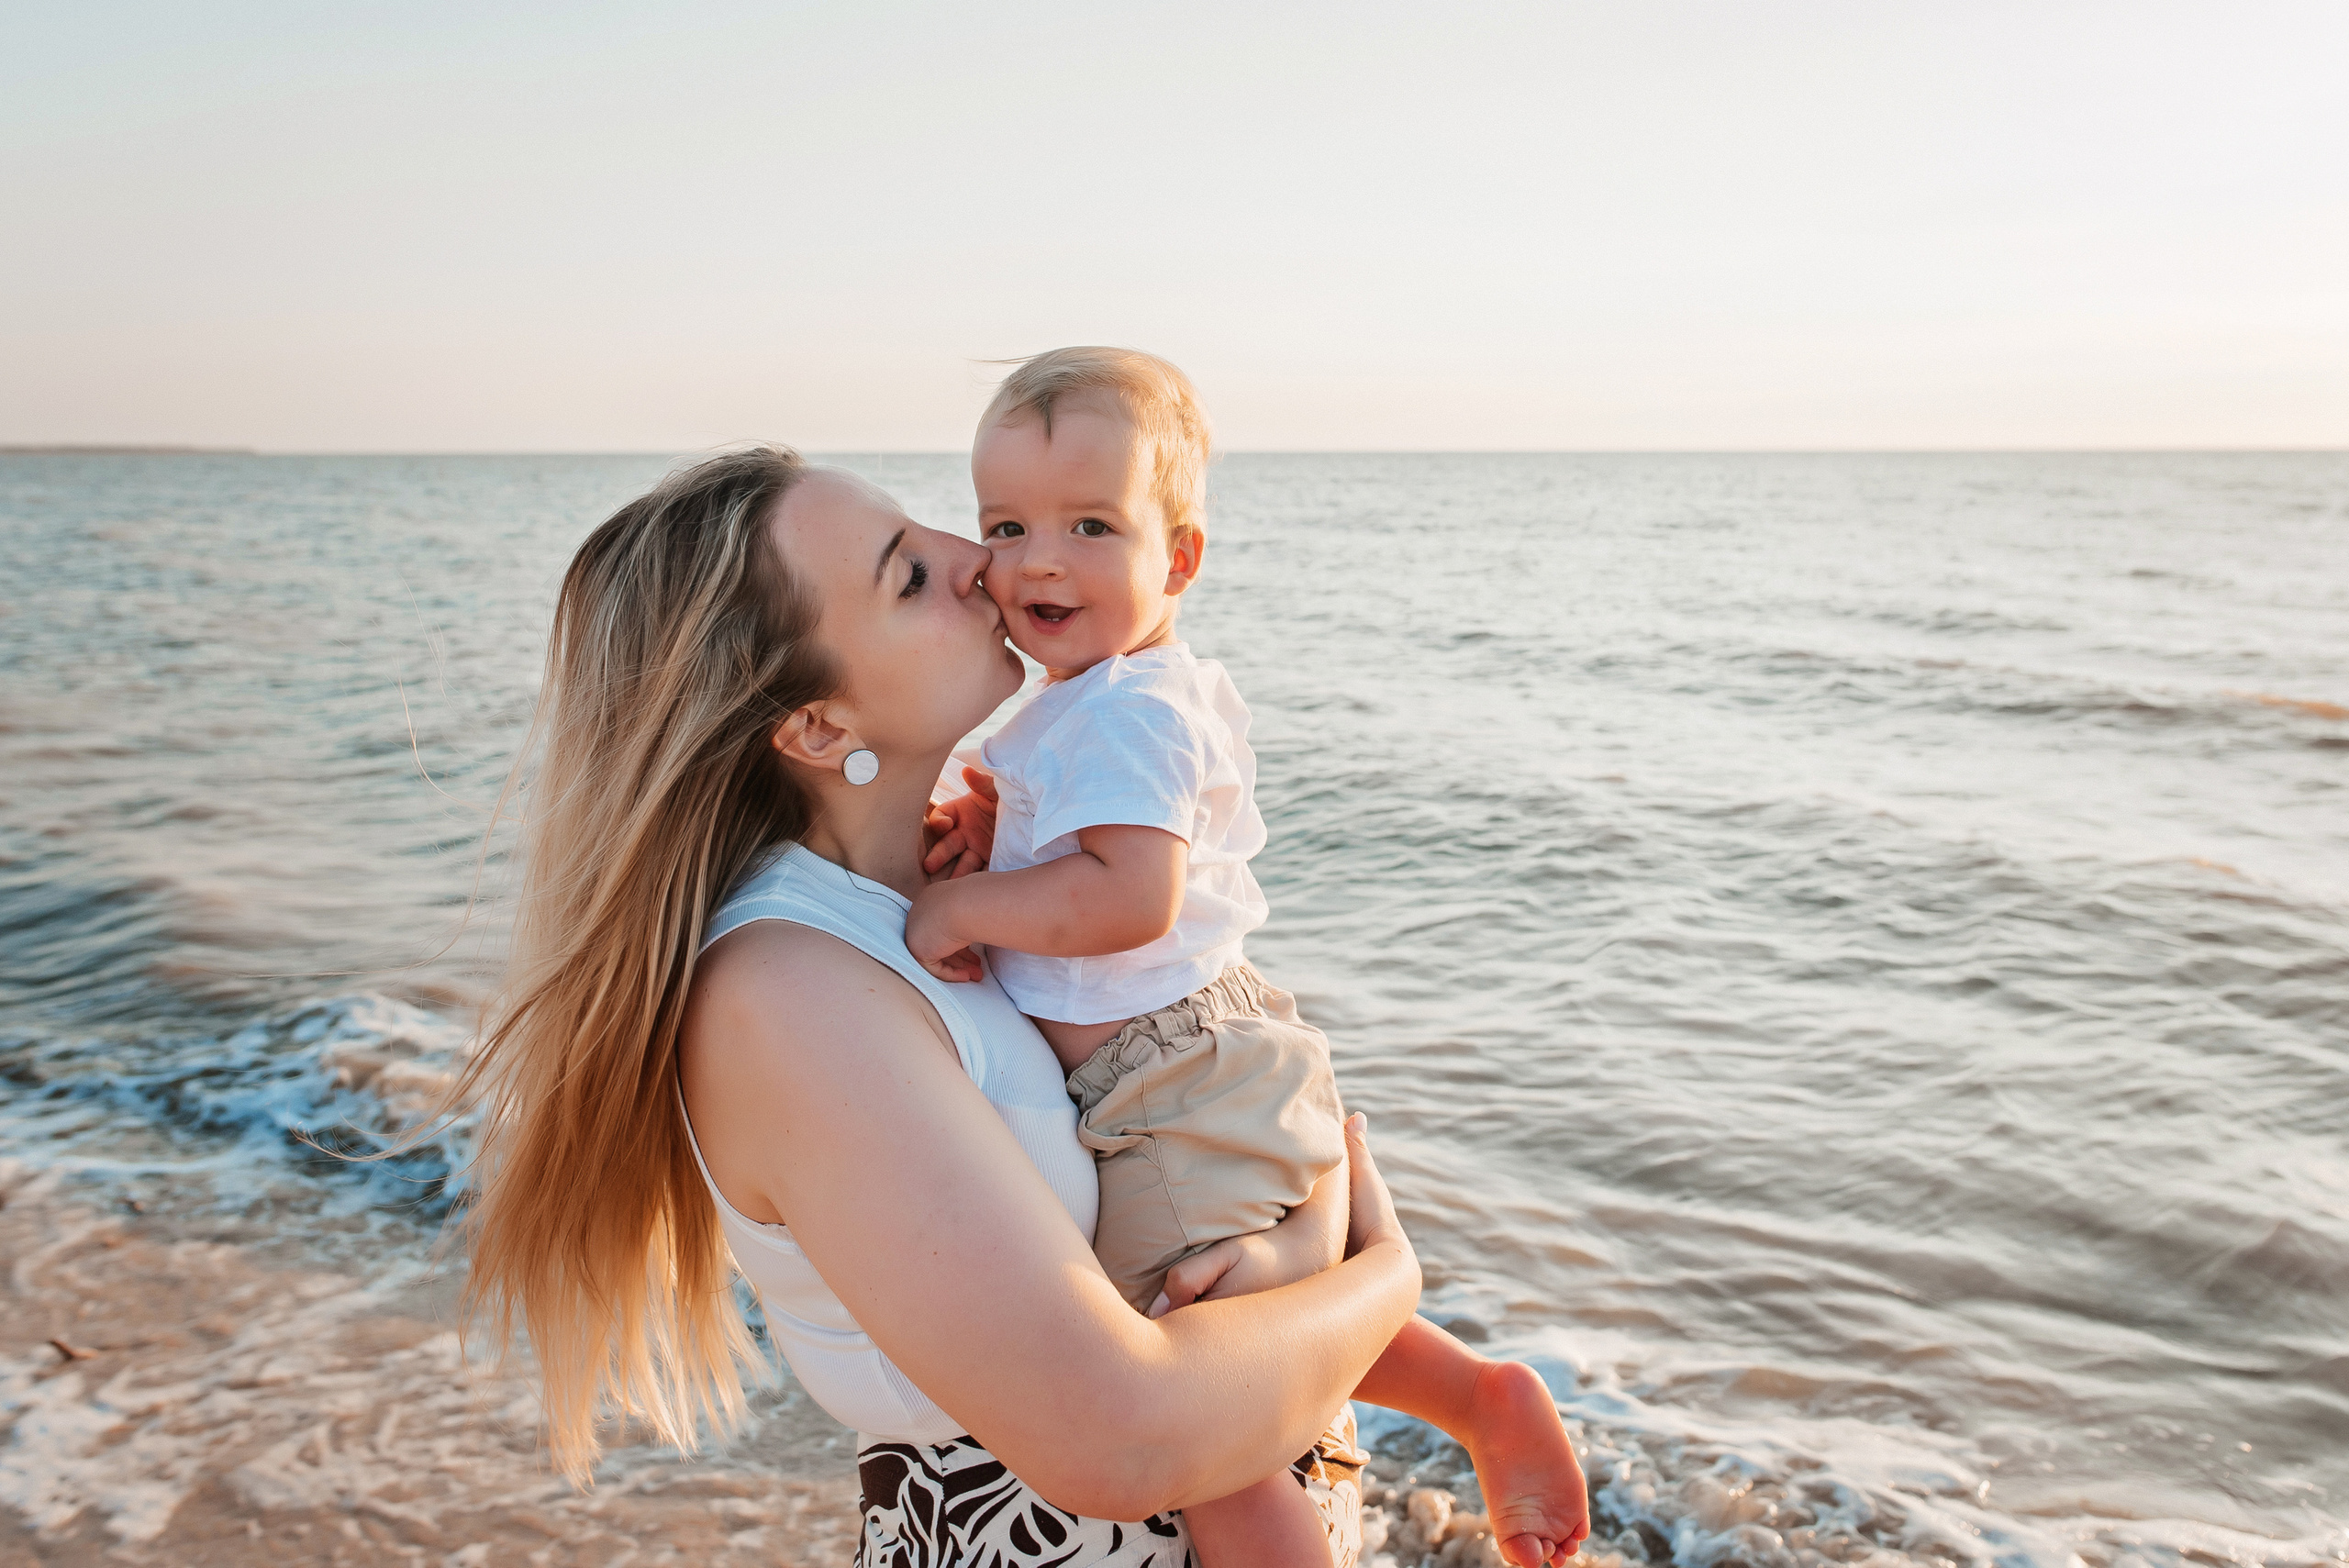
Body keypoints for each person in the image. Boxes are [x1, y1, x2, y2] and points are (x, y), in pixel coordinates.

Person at [449, 444, 1567, 1567]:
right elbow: (1117, 1437)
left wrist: (1305, 1239)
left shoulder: (948, 894)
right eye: (906, 573)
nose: (974, 558)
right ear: (820, 729)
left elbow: (1176, 1100)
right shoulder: (789, 994)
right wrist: (1381, 1272)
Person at [906, 348, 1588, 1567]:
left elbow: (1128, 892)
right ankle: (1479, 1398)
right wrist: (984, 834)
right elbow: (1081, 839)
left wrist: (971, 910)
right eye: (1004, 526)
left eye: (1090, 525)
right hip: (1192, 1055)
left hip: (1165, 1075)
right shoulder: (1087, 697)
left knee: (1197, 1403)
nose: (1039, 560)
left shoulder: (1131, 710)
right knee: (1255, 1311)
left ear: (1177, 559)